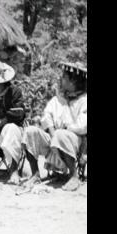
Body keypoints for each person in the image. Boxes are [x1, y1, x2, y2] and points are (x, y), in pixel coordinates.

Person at [21, 62, 87, 191]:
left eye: (64, 78)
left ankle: (74, 176)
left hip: (74, 141)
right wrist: (51, 131)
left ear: (73, 81)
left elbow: (82, 126)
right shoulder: (58, 98)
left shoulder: (84, 100)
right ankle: (35, 174)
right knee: (30, 131)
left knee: (60, 135)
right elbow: (47, 116)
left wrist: (63, 130)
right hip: (53, 136)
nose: (61, 79)